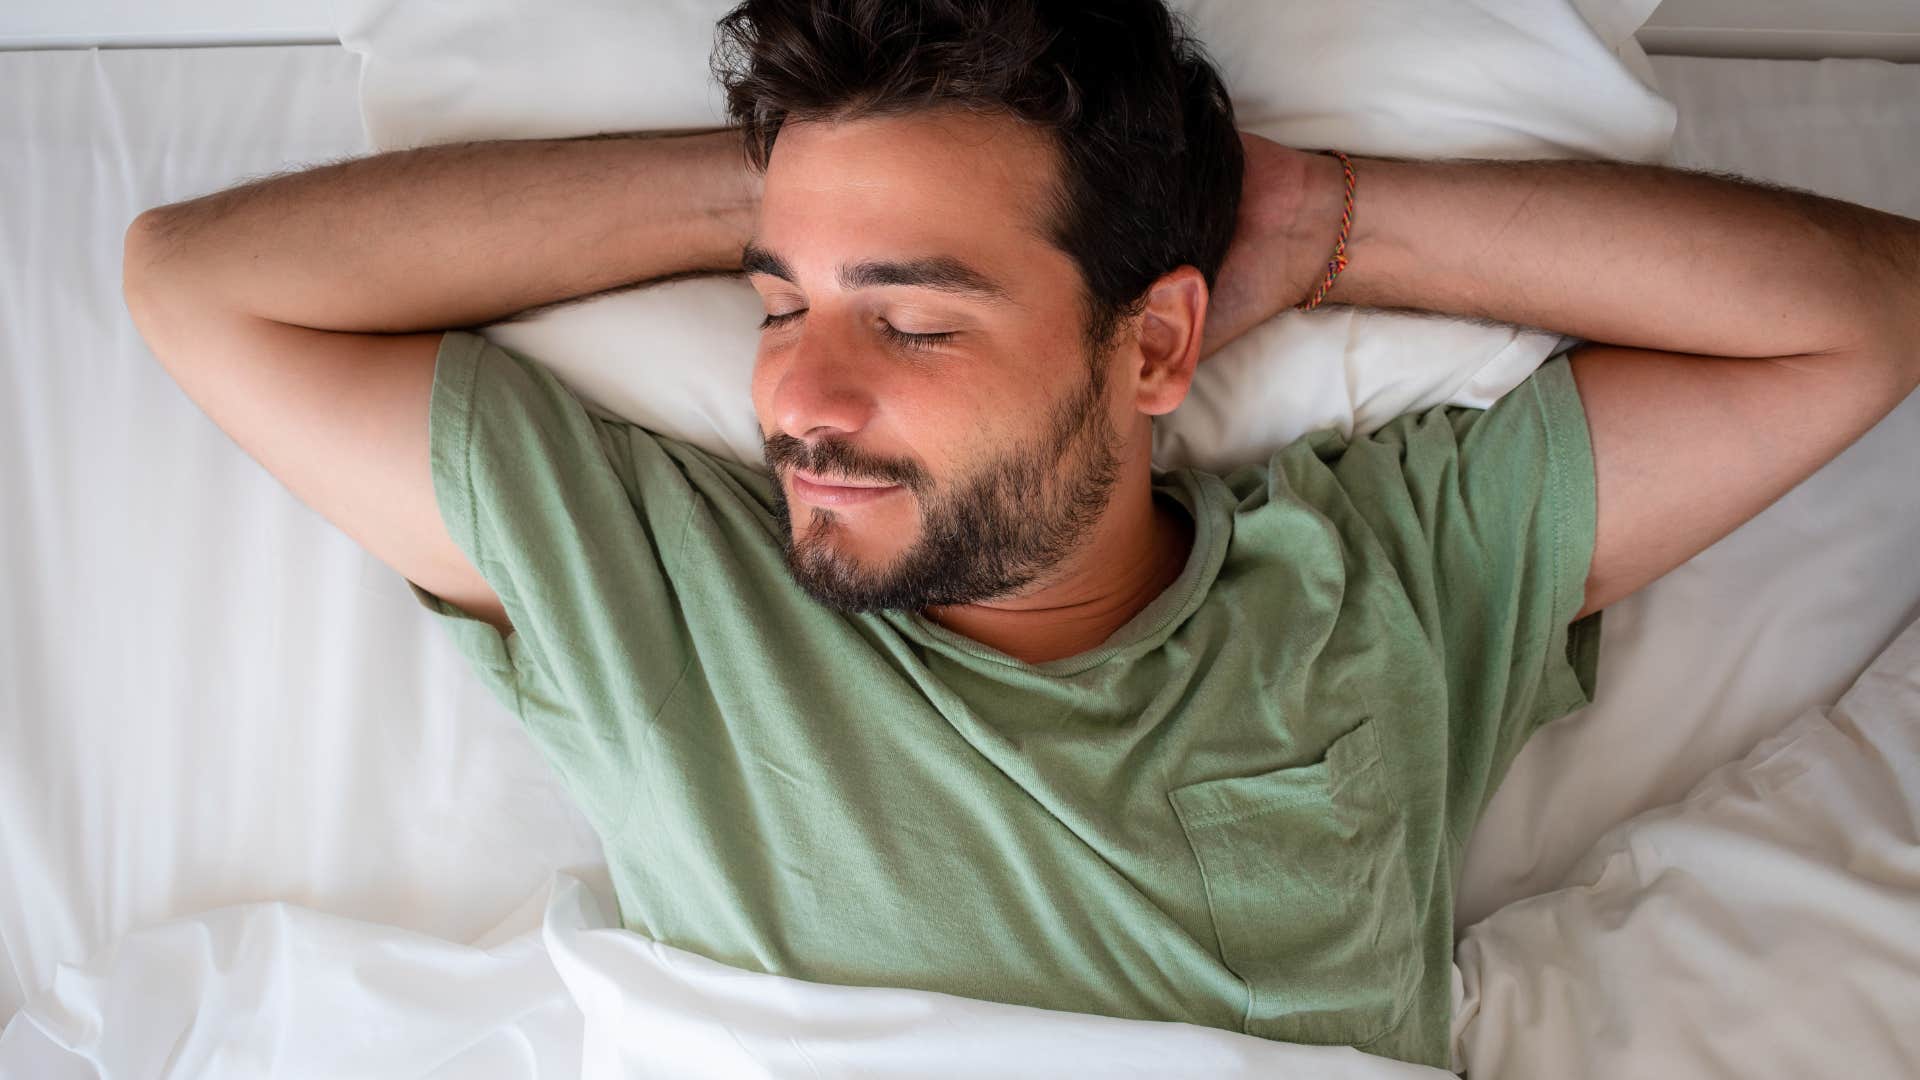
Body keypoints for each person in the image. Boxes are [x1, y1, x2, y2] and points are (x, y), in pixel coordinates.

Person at [121, 0, 1920, 1068]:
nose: (800, 396)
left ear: (1153, 348)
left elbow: (1864, 317)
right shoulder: (664, 591)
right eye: (775, 302)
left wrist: (1327, 220)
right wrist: (790, 193)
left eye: (910, 321)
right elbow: (196, 283)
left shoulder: (1386, 579)